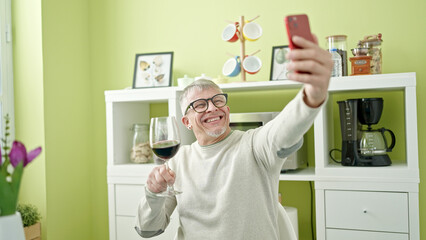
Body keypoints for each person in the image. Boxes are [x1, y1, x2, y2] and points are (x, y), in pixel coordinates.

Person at [135, 35, 332, 239]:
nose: (212, 108)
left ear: (227, 110)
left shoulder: (255, 145)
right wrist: (153, 193)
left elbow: (284, 128)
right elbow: (147, 229)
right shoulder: (178, 161)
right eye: (200, 105)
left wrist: (311, 96)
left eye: (218, 101)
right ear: (186, 122)